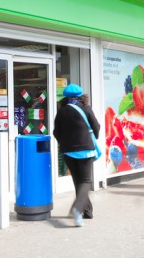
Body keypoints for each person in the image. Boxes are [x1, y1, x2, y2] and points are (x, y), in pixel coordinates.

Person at [53, 83, 100, 227]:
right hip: (85, 149)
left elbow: (56, 132)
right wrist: (93, 137)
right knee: (85, 182)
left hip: (68, 152)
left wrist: (64, 143)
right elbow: (96, 126)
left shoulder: (62, 111)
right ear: (81, 96)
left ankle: (88, 211)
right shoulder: (85, 108)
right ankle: (77, 209)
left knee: (78, 181)